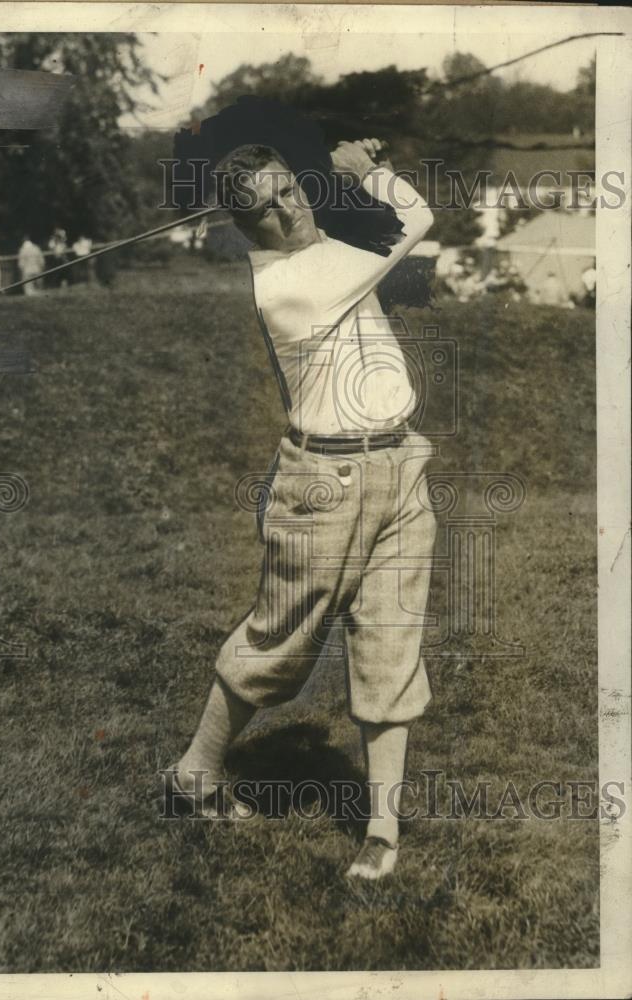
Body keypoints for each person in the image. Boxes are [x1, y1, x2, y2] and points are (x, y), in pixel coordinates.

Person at [169, 138, 437, 881]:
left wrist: (341, 173)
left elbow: (369, 232)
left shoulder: (328, 253)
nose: (287, 211)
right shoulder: (291, 283)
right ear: (246, 227)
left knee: (391, 638)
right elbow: (415, 217)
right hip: (324, 483)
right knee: (280, 642)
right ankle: (197, 771)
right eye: (264, 208)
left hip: (400, 466)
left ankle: (381, 833)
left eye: (288, 189)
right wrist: (362, 169)